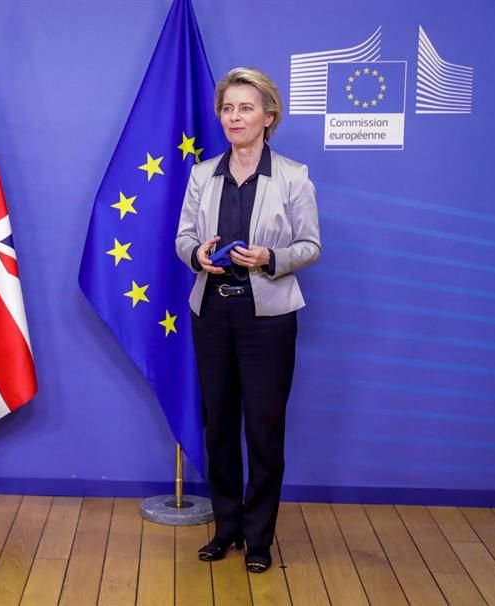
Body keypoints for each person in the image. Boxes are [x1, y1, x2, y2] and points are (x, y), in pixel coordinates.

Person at [176, 67, 321, 573]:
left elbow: (311, 245)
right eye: (227, 108)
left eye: (245, 108)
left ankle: (259, 538)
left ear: (268, 117)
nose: (234, 117)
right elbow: (183, 239)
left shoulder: (294, 176)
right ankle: (227, 528)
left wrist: (270, 258)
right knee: (218, 429)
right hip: (212, 315)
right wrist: (200, 256)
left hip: (268, 321)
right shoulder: (201, 175)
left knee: (263, 430)